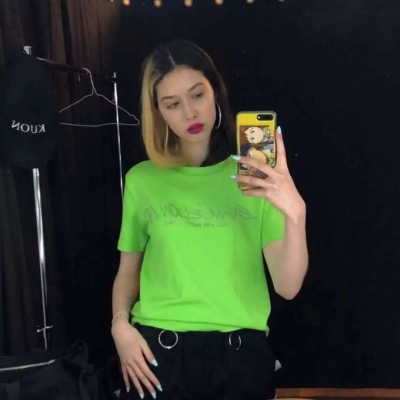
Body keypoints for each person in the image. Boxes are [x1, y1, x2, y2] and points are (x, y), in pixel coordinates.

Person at [111, 39, 308, 400]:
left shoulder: (255, 177)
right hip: (158, 354)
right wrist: (120, 326)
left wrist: (296, 213)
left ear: (215, 91)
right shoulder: (142, 180)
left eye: (197, 95)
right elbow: (128, 269)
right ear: (158, 112)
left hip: (239, 358)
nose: (189, 113)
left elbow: (288, 286)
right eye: (172, 104)